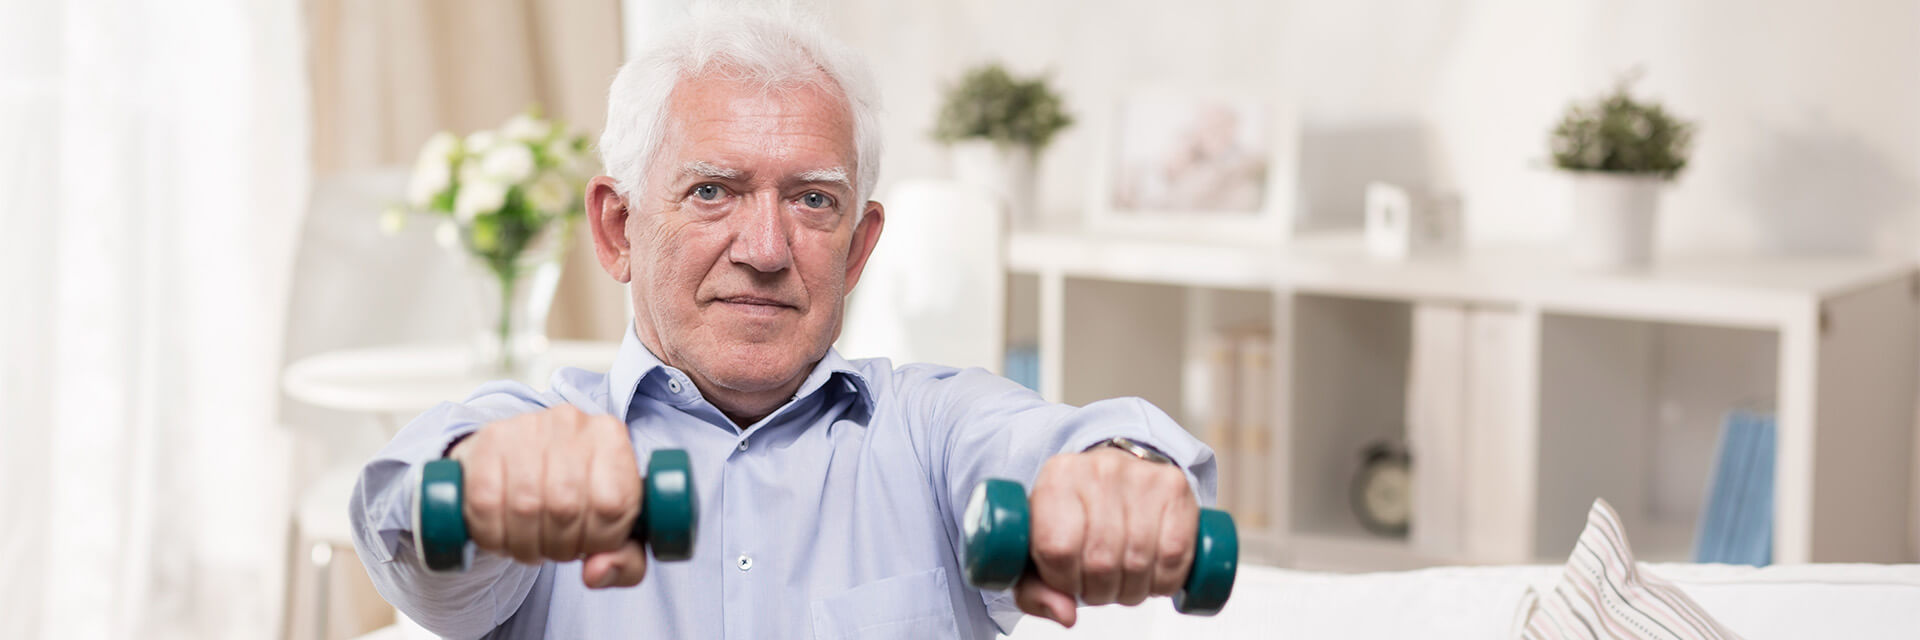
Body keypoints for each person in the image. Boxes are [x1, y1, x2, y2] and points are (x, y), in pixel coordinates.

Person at [349, 7, 1217, 639]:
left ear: (858, 248)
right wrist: (480, 483)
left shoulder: (932, 431)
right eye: (712, 191)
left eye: (812, 200)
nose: (765, 249)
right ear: (618, 229)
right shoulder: (545, 438)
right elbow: (406, 513)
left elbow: (1053, 444)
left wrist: (1120, 474)